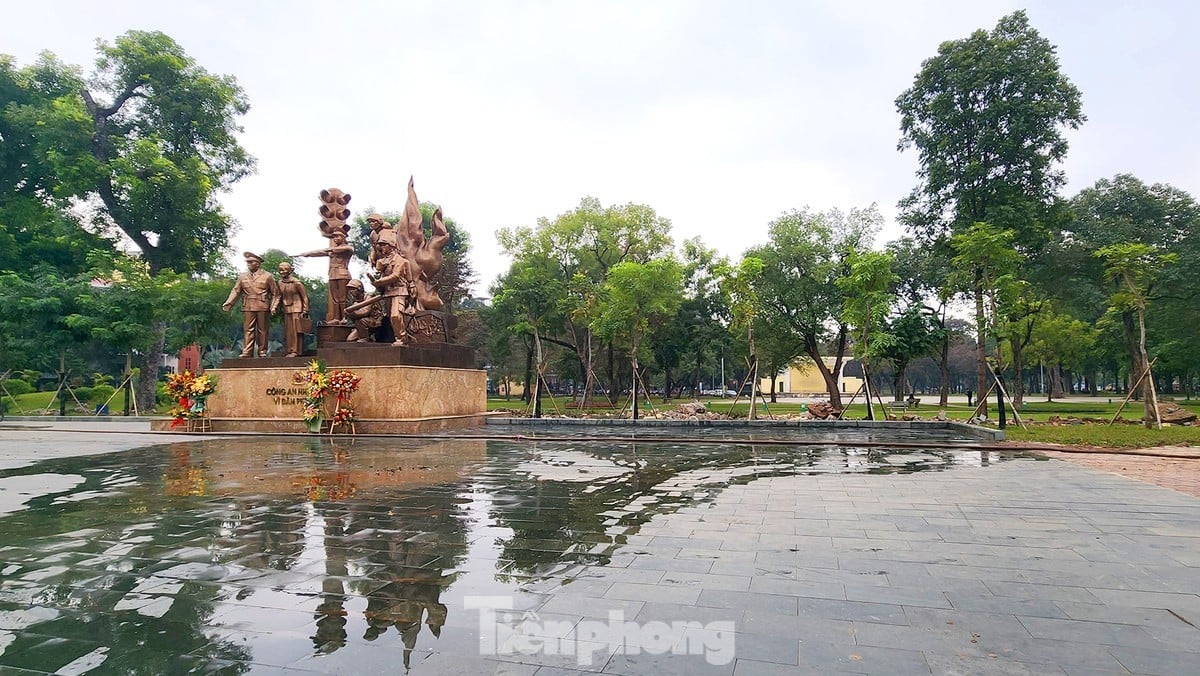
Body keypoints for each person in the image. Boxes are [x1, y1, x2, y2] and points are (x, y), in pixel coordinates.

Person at [223, 252, 278, 358]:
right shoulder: (242, 276)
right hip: (248, 305)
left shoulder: (267, 276)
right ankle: (247, 351)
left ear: (258, 264)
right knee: (248, 329)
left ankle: (262, 351)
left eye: (251, 262)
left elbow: (275, 293)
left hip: (262, 306)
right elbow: (236, 291)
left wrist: (273, 306)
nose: (248, 264)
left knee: (262, 330)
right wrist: (229, 302)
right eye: (247, 262)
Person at [369, 231, 417, 346]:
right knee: (391, 318)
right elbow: (380, 274)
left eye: (384, 245)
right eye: (380, 245)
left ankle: (401, 338)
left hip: (399, 291)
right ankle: (403, 337)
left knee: (396, 315)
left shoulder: (399, 260)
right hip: (387, 293)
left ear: (391, 246)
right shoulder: (383, 261)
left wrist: (378, 281)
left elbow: (395, 276)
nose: (382, 247)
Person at [298, 229, 354, 323]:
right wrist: (308, 254)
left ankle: (345, 317)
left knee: (343, 298)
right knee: (335, 298)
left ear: (343, 238)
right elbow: (320, 253)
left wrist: (329, 249)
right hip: (332, 274)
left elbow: (340, 249)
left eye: (338, 236)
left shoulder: (347, 248)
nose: (335, 239)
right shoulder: (332, 250)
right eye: (334, 237)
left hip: (343, 273)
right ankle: (336, 318)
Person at [273, 261, 310, 357]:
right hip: (286, 308)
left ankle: (296, 351)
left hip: (297, 308)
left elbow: (304, 297)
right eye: (280, 270)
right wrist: (274, 306)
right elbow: (278, 296)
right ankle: (289, 350)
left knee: (296, 330)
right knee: (288, 331)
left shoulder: (296, 283)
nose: (282, 272)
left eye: (284, 270)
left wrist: (305, 310)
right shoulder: (280, 283)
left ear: (290, 270)